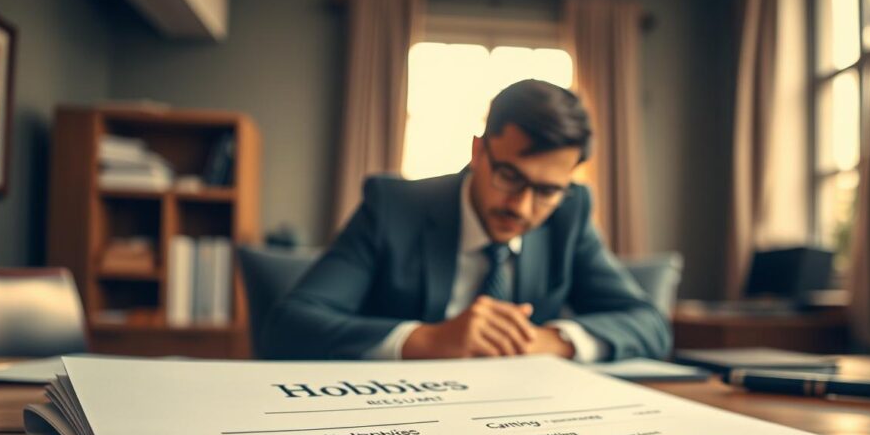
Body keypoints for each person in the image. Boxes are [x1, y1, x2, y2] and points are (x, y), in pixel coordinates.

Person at [262, 79, 671, 361]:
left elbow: (650, 325)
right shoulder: (392, 207)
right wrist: (428, 340)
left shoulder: (571, 213)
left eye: (546, 191)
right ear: (478, 152)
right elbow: (290, 326)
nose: (523, 208)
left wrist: (550, 341)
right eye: (510, 176)